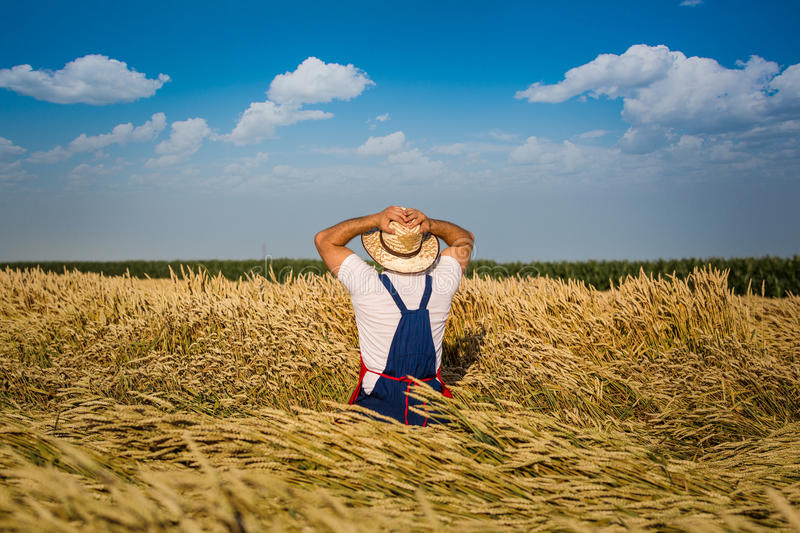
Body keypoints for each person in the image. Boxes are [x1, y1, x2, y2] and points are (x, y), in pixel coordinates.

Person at [314, 206, 474, 426]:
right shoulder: (442, 284)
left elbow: (324, 240)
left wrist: (374, 219)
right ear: (423, 248)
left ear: (381, 252)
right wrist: (430, 225)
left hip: (376, 411)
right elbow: (464, 240)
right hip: (431, 411)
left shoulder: (366, 284)